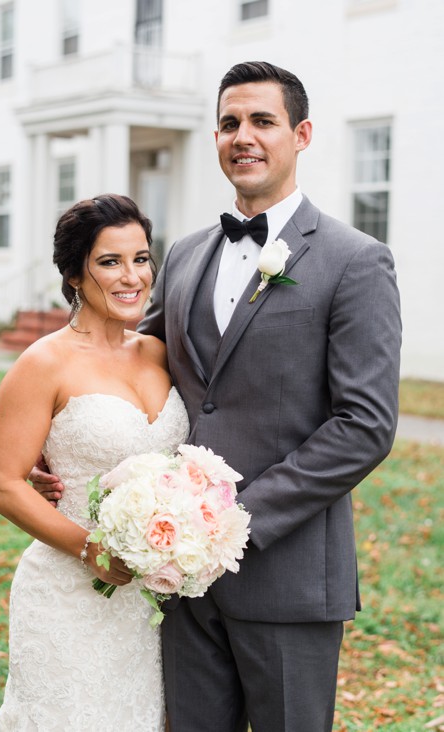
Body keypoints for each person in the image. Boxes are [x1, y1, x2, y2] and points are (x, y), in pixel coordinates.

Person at [32, 61, 402, 731]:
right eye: (230, 122)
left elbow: (364, 426)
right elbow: (132, 363)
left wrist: (228, 523)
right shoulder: (184, 255)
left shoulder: (355, 261)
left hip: (287, 576)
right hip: (181, 591)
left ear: (302, 134)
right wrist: (55, 444)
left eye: (263, 121)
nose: (244, 136)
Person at [0, 194, 187, 730]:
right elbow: (3, 484)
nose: (132, 276)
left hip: (153, 601)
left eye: (141, 259)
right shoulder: (42, 363)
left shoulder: (159, 352)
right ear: (75, 274)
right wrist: (89, 548)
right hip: (69, 592)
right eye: (110, 261)